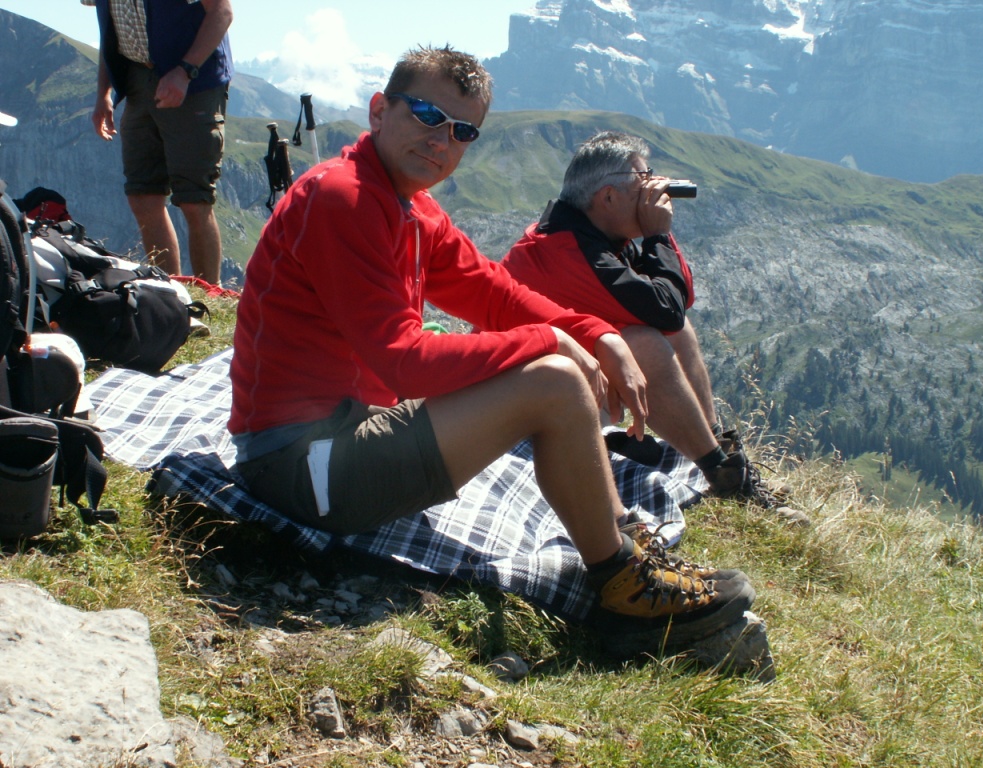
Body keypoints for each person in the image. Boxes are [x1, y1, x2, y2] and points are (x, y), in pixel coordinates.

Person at [228, 46, 754, 638]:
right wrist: (550, 340)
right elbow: (405, 363)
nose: (441, 140)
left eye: (463, 130)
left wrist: (596, 333)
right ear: (379, 111)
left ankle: (623, 546)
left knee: (554, 366)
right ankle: (623, 591)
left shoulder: (412, 207)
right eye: (427, 114)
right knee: (553, 381)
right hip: (298, 466)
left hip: (344, 433)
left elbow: (494, 293)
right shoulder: (342, 197)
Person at [501, 131, 809, 525]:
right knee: (643, 342)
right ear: (608, 197)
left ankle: (721, 456)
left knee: (675, 333)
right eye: (643, 180)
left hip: (559, 385)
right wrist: (658, 235)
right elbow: (666, 311)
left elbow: (677, 309)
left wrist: (652, 237)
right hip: (518, 408)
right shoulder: (568, 252)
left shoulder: (595, 234)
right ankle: (727, 480)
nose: (655, 189)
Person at [86, 0, 233, 285]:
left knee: (194, 197)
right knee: (143, 194)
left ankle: (207, 296)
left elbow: (222, 12)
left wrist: (184, 71)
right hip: (137, 78)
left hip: (194, 80)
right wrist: (103, 93)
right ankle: (169, 292)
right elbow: (110, 27)